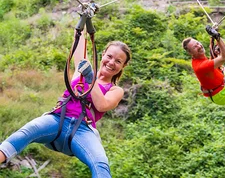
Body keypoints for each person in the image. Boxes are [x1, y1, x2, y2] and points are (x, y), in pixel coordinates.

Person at [0, 30, 131, 178]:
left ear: (123, 66)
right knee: (25, 132)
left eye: (118, 61)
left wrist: (91, 78)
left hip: (83, 130)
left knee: (100, 162)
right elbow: (79, 42)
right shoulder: (81, 71)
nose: (112, 62)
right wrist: (84, 20)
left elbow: (101, 105)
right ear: (103, 54)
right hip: (57, 120)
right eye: (109, 56)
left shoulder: (115, 90)